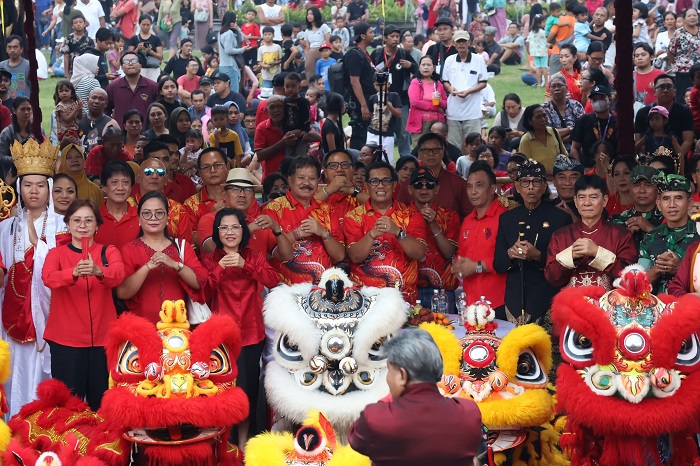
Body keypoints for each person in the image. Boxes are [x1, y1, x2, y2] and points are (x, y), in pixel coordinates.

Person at [0, 140, 70, 416]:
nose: (34, 191)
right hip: (10, 315)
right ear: (20, 188)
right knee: (13, 369)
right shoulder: (5, 228)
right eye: (28, 185)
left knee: (45, 374)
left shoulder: (64, 225)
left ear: (49, 189)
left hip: (50, 315)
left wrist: (37, 245)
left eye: (41, 185)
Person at [348, 328, 482, 466]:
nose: (388, 378)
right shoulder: (469, 412)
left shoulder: (376, 417)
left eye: (390, 370)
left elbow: (357, 441)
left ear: (402, 375)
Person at [203, 207, 278, 445]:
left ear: (243, 230)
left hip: (250, 333)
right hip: (221, 337)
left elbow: (272, 280)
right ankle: (224, 444)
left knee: (247, 391)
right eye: (224, 227)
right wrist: (220, 268)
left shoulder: (253, 255)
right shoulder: (209, 259)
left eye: (235, 227)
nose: (230, 232)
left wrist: (245, 264)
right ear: (217, 232)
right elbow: (202, 292)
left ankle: (243, 445)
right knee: (222, 391)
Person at [42, 199, 125, 411]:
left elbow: (118, 275)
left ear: (97, 225)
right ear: (67, 224)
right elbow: (48, 277)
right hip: (66, 340)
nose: (82, 225)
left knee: (103, 402)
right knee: (68, 405)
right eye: (76, 220)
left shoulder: (108, 251)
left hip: (103, 340)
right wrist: (73, 273)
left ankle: (104, 443)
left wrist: (99, 271)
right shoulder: (57, 254)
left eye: (88, 220)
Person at [493, 160, 571, 323]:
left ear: (544, 187)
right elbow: (498, 264)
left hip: (547, 300)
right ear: (517, 187)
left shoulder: (560, 218)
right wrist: (511, 253)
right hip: (513, 301)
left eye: (536, 182)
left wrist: (538, 256)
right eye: (525, 182)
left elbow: (566, 266)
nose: (530, 187)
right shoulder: (507, 218)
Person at [116, 191, 206, 323]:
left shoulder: (182, 246)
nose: (153, 217)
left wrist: (175, 265)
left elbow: (199, 283)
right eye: (147, 213)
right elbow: (122, 293)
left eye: (159, 213)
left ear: (167, 218)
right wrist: (147, 267)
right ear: (139, 219)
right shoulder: (129, 249)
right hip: (140, 327)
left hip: (178, 329)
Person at [345, 161, 427, 303]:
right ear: (366, 186)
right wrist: (371, 234)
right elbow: (355, 257)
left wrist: (398, 232)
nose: (381, 185)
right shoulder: (353, 216)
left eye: (386, 181)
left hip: (404, 299)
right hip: (364, 301)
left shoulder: (412, 214)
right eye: (374, 181)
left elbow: (419, 253)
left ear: (395, 185)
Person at [546, 174, 637, 290]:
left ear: (604, 201)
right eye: (582, 197)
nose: (587, 203)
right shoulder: (560, 236)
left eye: (593, 197)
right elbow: (551, 278)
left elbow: (629, 278)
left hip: (608, 305)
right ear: (575, 201)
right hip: (570, 305)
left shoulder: (621, 235)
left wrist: (597, 253)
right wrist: (571, 256)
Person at [198, 168, 292, 261]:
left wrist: (277, 229)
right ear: (224, 193)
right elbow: (212, 248)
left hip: (255, 275)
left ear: (253, 196)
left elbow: (287, 256)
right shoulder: (209, 220)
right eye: (236, 189)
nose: (242, 194)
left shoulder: (259, 224)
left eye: (248, 190)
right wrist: (249, 229)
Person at [452, 161, 507, 307]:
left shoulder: (505, 218)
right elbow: (461, 253)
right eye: (469, 186)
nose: (473, 191)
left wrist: (477, 266)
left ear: (492, 189)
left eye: (479, 185)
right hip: (470, 302)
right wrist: (459, 265)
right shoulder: (468, 220)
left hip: (497, 303)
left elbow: (508, 258)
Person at [407, 166, 459, 309]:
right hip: (410, 291)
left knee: (445, 331)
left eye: (429, 184)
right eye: (418, 185)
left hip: (442, 292)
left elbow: (449, 252)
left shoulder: (449, 216)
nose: (424, 189)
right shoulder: (401, 216)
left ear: (437, 189)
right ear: (410, 189)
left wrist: (433, 224)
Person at [638, 173, 699, 294]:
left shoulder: (698, 232)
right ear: (659, 204)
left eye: (678, 198)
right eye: (666, 199)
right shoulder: (650, 238)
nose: (672, 205)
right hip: (657, 309)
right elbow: (639, 283)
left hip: (691, 308)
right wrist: (657, 269)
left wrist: (680, 268)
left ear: (690, 203)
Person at [370, 24, 418, 158]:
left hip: (400, 98)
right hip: (380, 97)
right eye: (392, 36)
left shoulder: (403, 53)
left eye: (397, 37)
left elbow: (417, 70)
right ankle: (378, 157)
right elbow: (369, 73)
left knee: (403, 131)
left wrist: (410, 65)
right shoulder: (377, 53)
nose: (395, 39)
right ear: (385, 38)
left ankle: (405, 158)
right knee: (379, 128)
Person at [399, 133, 472, 218]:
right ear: (419, 154)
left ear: (443, 152)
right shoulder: (408, 185)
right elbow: (398, 216)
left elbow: (469, 217)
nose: (431, 154)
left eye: (436, 149)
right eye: (426, 150)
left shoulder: (458, 183)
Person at [634, 75, 694, 173]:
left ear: (674, 91)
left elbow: (688, 140)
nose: (665, 90)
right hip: (649, 165)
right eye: (661, 87)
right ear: (654, 91)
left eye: (669, 87)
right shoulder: (643, 113)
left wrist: (673, 160)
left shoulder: (685, 112)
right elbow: (639, 144)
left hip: (677, 164)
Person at [442, 30, 488, 150]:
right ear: (454, 43)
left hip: (472, 111)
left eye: (464, 41)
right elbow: (445, 81)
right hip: (453, 111)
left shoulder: (478, 60)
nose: (461, 44)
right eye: (458, 42)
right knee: (453, 146)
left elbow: (483, 83)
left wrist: (469, 91)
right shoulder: (449, 60)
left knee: (474, 146)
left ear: (470, 42)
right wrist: (450, 88)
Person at [610, 165, 664, 249]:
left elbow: (676, 251)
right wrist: (625, 236)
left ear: (657, 189)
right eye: (636, 185)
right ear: (630, 189)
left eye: (648, 185)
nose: (642, 191)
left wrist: (651, 230)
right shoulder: (616, 220)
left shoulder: (667, 219)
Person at [105, 51, 159, 130]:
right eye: (126, 62)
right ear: (122, 67)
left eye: (134, 61)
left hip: (146, 134)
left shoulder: (153, 86)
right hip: (121, 135)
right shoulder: (113, 87)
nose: (130, 64)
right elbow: (105, 110)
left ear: (140, 66)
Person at [183, 147, 227, 242]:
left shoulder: (241, 196)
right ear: (200, 173)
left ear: (228, 167)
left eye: (217, 165)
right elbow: (192, 240)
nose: (212, 170)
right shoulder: (190, 204)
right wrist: (210, 218)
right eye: (206, 167)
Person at [569, 85, 617, 168]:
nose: (598, 102)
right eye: (594, 99)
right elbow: (575, 148)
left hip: (613, 169)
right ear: (590, 102)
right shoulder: (584, 120)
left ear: (609, 99)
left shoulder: (617, 122)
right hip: (589, 169)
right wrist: (579, 169)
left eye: (601, 98)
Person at [94, 160, 139, 248]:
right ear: (103, 187)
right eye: (114, 182)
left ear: (131, 187)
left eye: (125, 182)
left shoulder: (141, 217)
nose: (120, 188)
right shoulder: (93, 218)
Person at [345, 22, 376, 150]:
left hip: (368, 99)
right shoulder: (354, 54)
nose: (373, 35)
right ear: (363, 36)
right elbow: (354, 81)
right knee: (360, 135)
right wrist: (363, 105)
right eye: (371, 32)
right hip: (360, 103)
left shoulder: (364, 53)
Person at [407, 56, 448, 147]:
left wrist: (440, 102)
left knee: (438, 145)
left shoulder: (438, 84)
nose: (426, 67)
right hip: (420, 122)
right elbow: (415, 101)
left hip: (437, 122)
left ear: (433, 68)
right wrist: (435, 107)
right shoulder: (415, 82)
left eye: (429, 65)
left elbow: (445, 103)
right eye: (423, 65)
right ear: (419, 67)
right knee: (419, 147)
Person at [518, 104, 567, 173]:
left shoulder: (554, 132)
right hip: (539, 181)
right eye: (538, 117)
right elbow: (527, 167)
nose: (543, 119)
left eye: (544, 115)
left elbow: (564, 155)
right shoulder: (526, 140)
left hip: (558, 178)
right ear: (530, 121)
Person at [541, 74, 584, 151]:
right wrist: (571, 129)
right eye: (553, 86)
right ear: (549, 90)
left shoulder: (576, 105)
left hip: (575, 149)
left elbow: (582, 131)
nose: (556, 88)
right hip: (552, 150)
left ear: (567, 88)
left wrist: (558, 137)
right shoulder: (543, 109)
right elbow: (546, 135)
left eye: (560, 85)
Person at [0, 98, 42, 175]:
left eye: (29, 109)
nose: (26, 112)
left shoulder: (38, 130)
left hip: (35, 172)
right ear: (14, 111)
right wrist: (18, 159)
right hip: (13, 174)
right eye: (22, 109)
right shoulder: (7, 133)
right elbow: (1, 157)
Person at [668, 8, 700, 103]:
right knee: (683, 99)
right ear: (684, 18)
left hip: (699, 72)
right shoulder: (679, 33)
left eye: (694, 15)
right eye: (689, 16)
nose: (692, 17)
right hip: (683, 72)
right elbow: (670, 51)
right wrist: (676, 64)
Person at [126, 15, 163, 82]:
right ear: (139, 24)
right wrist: (138, 49)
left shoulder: (155, 39)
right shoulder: (134, 39)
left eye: (148, 25)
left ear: (151, 25)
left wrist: (150, 51)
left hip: (153, 68)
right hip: (139, 68)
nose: (145, 27)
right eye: (143, 24)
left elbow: (160, 56)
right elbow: (129, 56)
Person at [551, 154, 583, 221]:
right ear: (554, 181)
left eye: (573, 178)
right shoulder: (546, 208)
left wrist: (572, 217)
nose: (567, 183)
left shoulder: (592, 208)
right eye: (562, 177)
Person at [527, 14, 549, 87]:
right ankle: (546, 83)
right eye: (543, 22)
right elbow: (546, 41)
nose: (545, 23)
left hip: (534, 52)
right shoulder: (543, 32)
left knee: (538, 68)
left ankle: (539, 83)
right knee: (544, 67)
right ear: (539, 23)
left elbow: (527, 42)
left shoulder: (531, 32)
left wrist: (528, 51)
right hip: (543, 52)